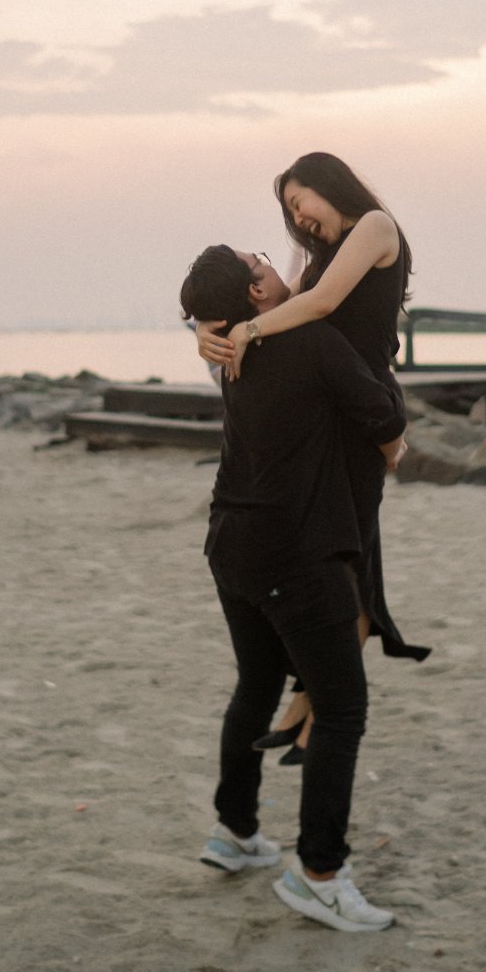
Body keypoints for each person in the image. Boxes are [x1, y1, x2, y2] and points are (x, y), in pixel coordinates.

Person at [180, 243, 405, 931]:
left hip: (231, 546)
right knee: (341, 709)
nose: (273, 260)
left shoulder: (228, 350)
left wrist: (202, 329)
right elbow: (386, 421)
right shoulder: (310, 340)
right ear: (256, 291)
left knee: (256, 684)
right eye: (260, 260)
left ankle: (235, 833)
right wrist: (387, 450)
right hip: (294, 556)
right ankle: (320, 875)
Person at [195, 153, 429, 758]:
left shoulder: (375, 226)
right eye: (290, 212)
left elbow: (317, 307)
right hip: (338, 411)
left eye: (300, 203)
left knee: (355, 565)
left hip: (362, 404)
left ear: (331, 185)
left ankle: (314, 702)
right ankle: (311, 699)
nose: (298, 218)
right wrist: (205, 330)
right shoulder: (324, 256)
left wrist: (245, 331)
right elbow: (280, 308)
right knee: (346, 561)